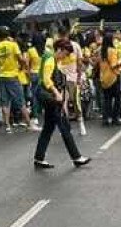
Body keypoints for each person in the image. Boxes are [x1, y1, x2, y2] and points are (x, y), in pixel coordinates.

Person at [32, 38, 91, 171]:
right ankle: (76, 157)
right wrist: (56, 93)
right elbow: (46, 79)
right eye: (66, 52)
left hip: (51, 98)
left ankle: (39, 158)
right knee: (64, 126)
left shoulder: (54, 60)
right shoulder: (50, 59)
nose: (67, 55)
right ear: (59, 50)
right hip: (51, 98)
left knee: (48, 127)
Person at [0, 28, 25, 132]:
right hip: (12, 75)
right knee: (20, 100)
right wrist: (23, 65)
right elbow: (21, 59)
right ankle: (29, 123)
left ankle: (7, 125)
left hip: (1, 76)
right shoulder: (13, 45)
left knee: (5, 102)